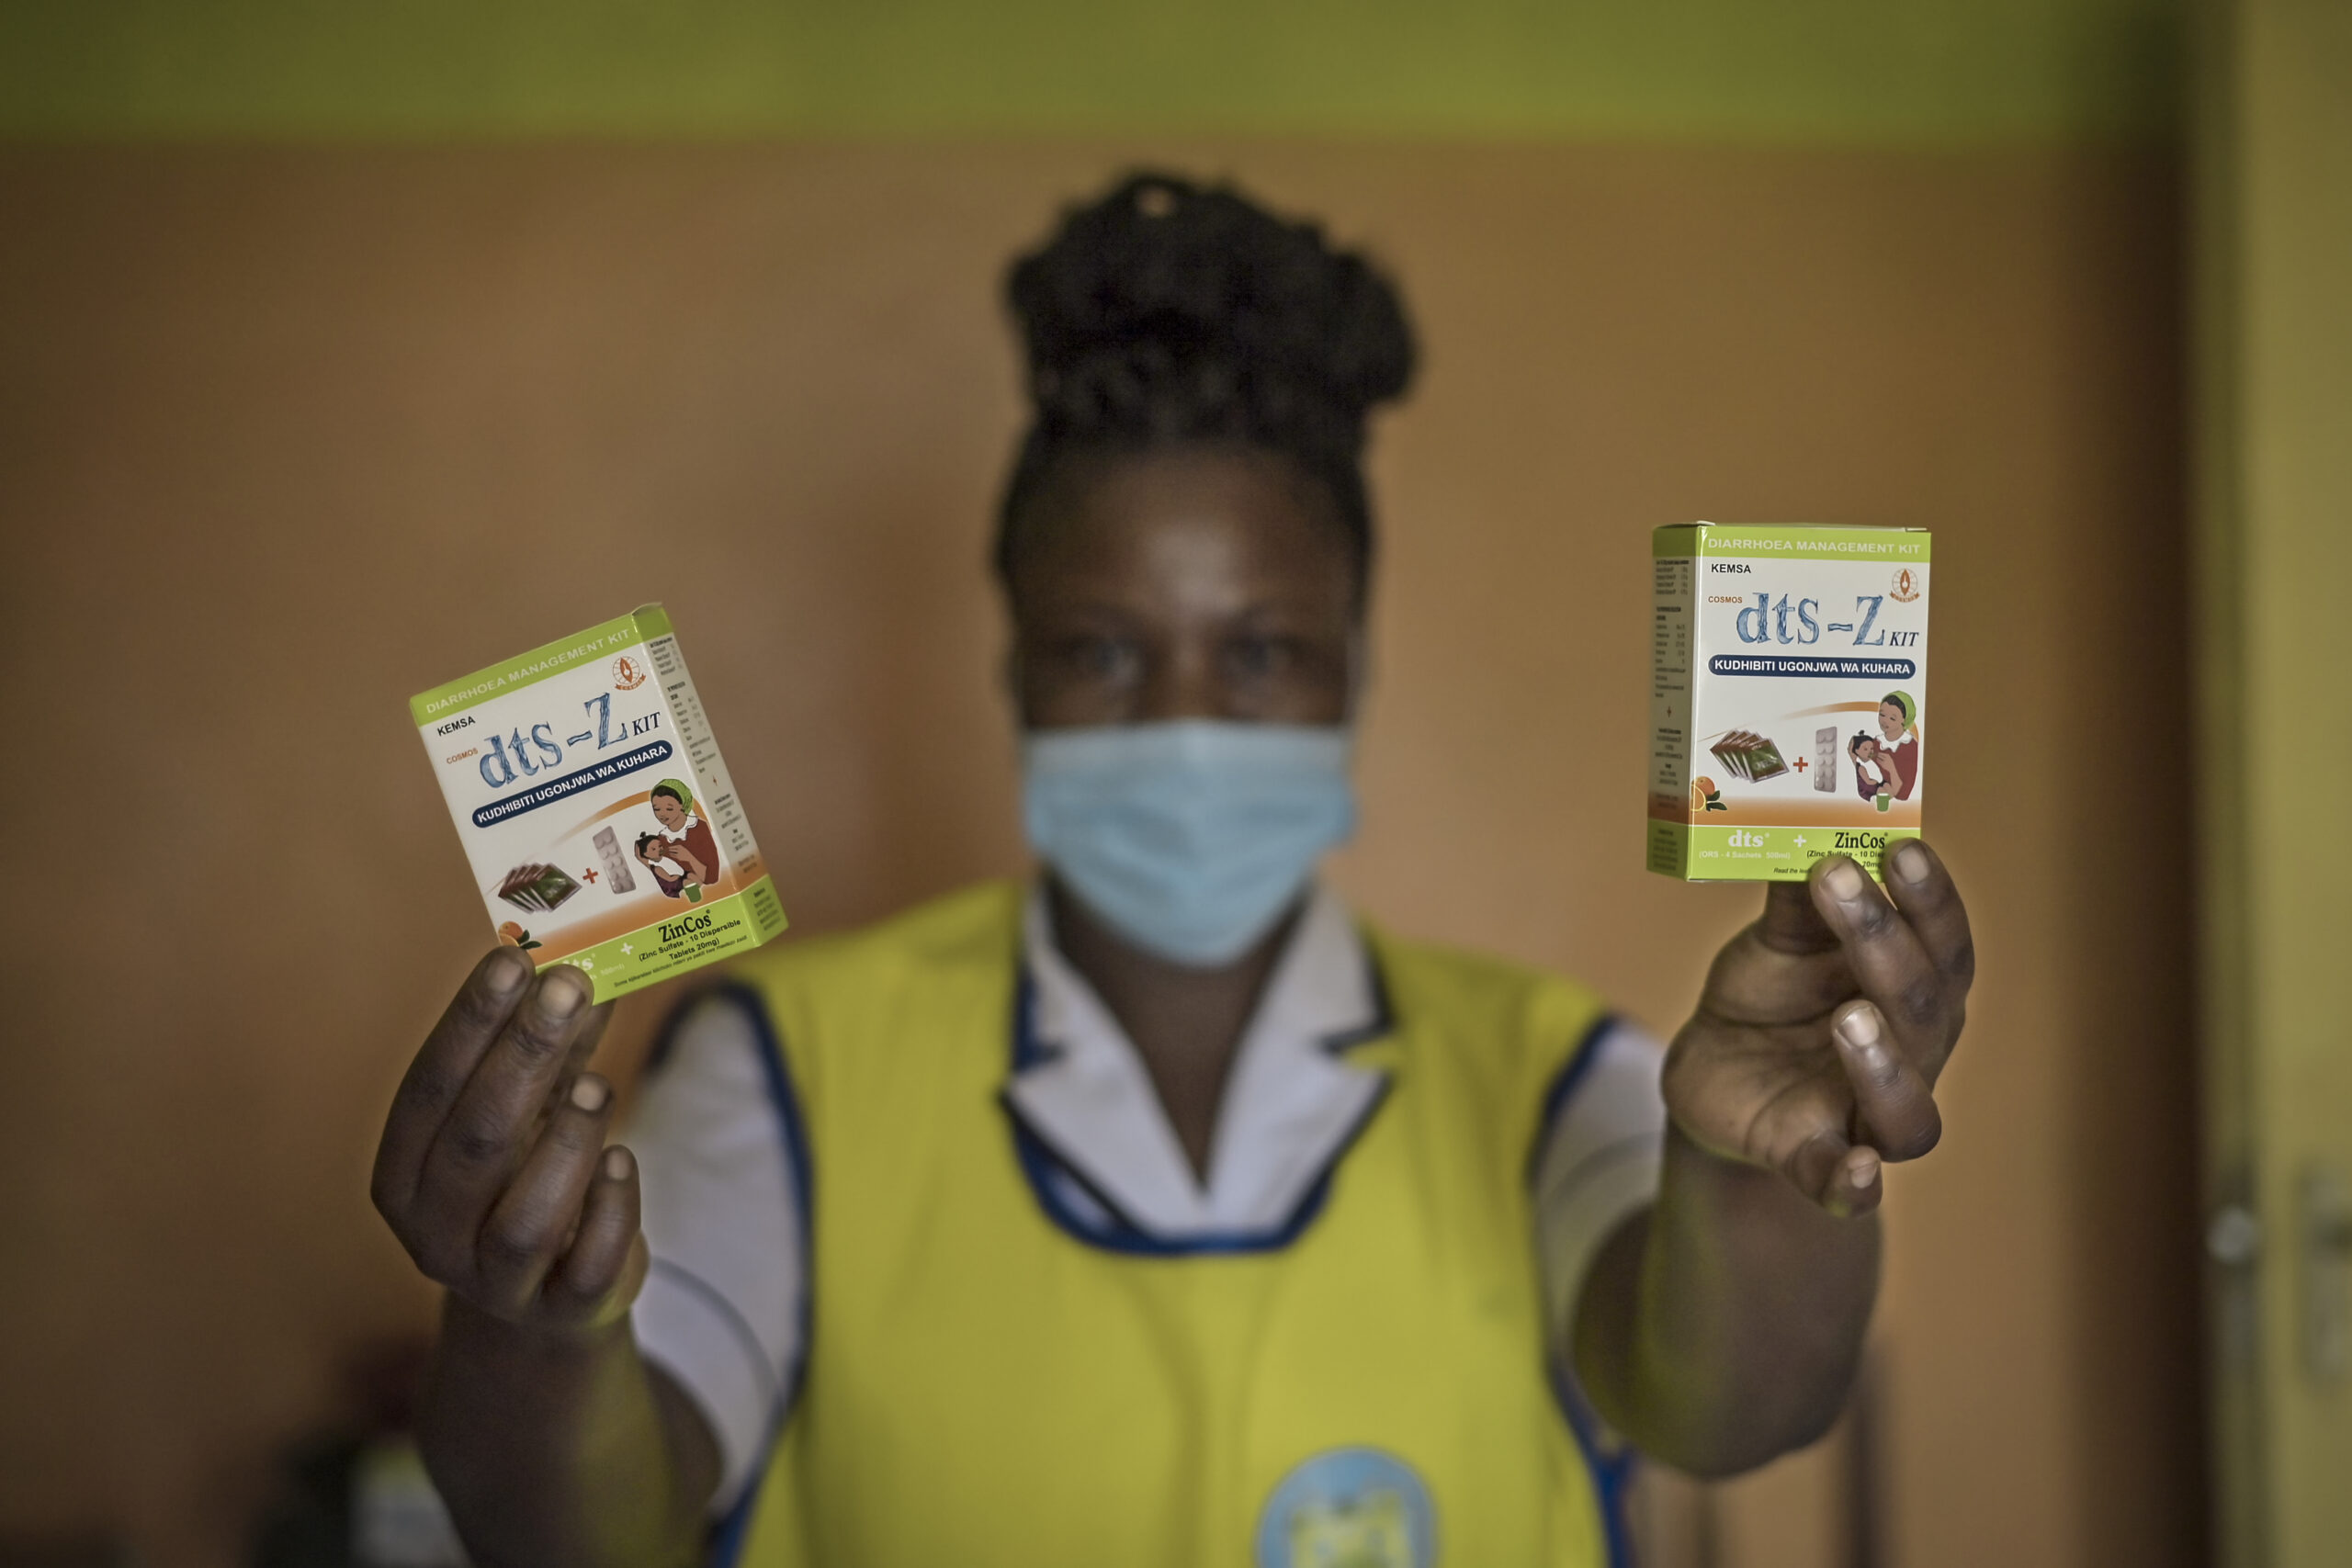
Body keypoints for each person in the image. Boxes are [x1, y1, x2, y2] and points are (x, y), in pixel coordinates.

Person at [369, 173, 1974, 1568]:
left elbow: (1735, 1407)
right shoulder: (786, 1070)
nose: (1188, 721)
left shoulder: (1554, 1073)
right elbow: (583, 1524)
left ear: (1355, 671)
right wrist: (530, 1318)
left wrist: (1763, 1177)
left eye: (1264, 651)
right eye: (1104, 652)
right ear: (1011, 674)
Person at [637, 779, 718, 900]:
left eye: (669, 809)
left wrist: (689, 858)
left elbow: (711, 878)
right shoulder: (661, 839)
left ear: (682, 804)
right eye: (657, 809)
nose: (662, 814)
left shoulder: (699, 828)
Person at [1871, 691, 1921, 802]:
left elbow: (1904, 794)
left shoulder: (1910, 746)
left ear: (1904, 719)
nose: (1884, 721)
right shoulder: (1876, 742)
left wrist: (1891, 768)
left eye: (1892, 718)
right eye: (1882, 714)